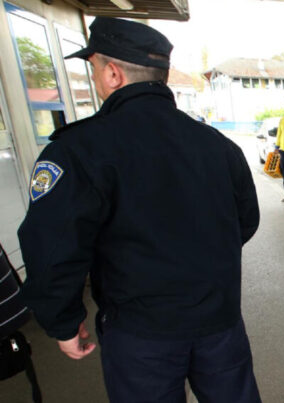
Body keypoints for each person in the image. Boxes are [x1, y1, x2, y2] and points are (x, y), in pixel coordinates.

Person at [18, 18, 261, 403]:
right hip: (220, 323)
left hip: (141, 334)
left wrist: (62, 320)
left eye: (95, 68)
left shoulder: (80, 149)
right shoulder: (217, 145)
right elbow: (245, 221)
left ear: (112, 73)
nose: (97, 78)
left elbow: (53, 244)